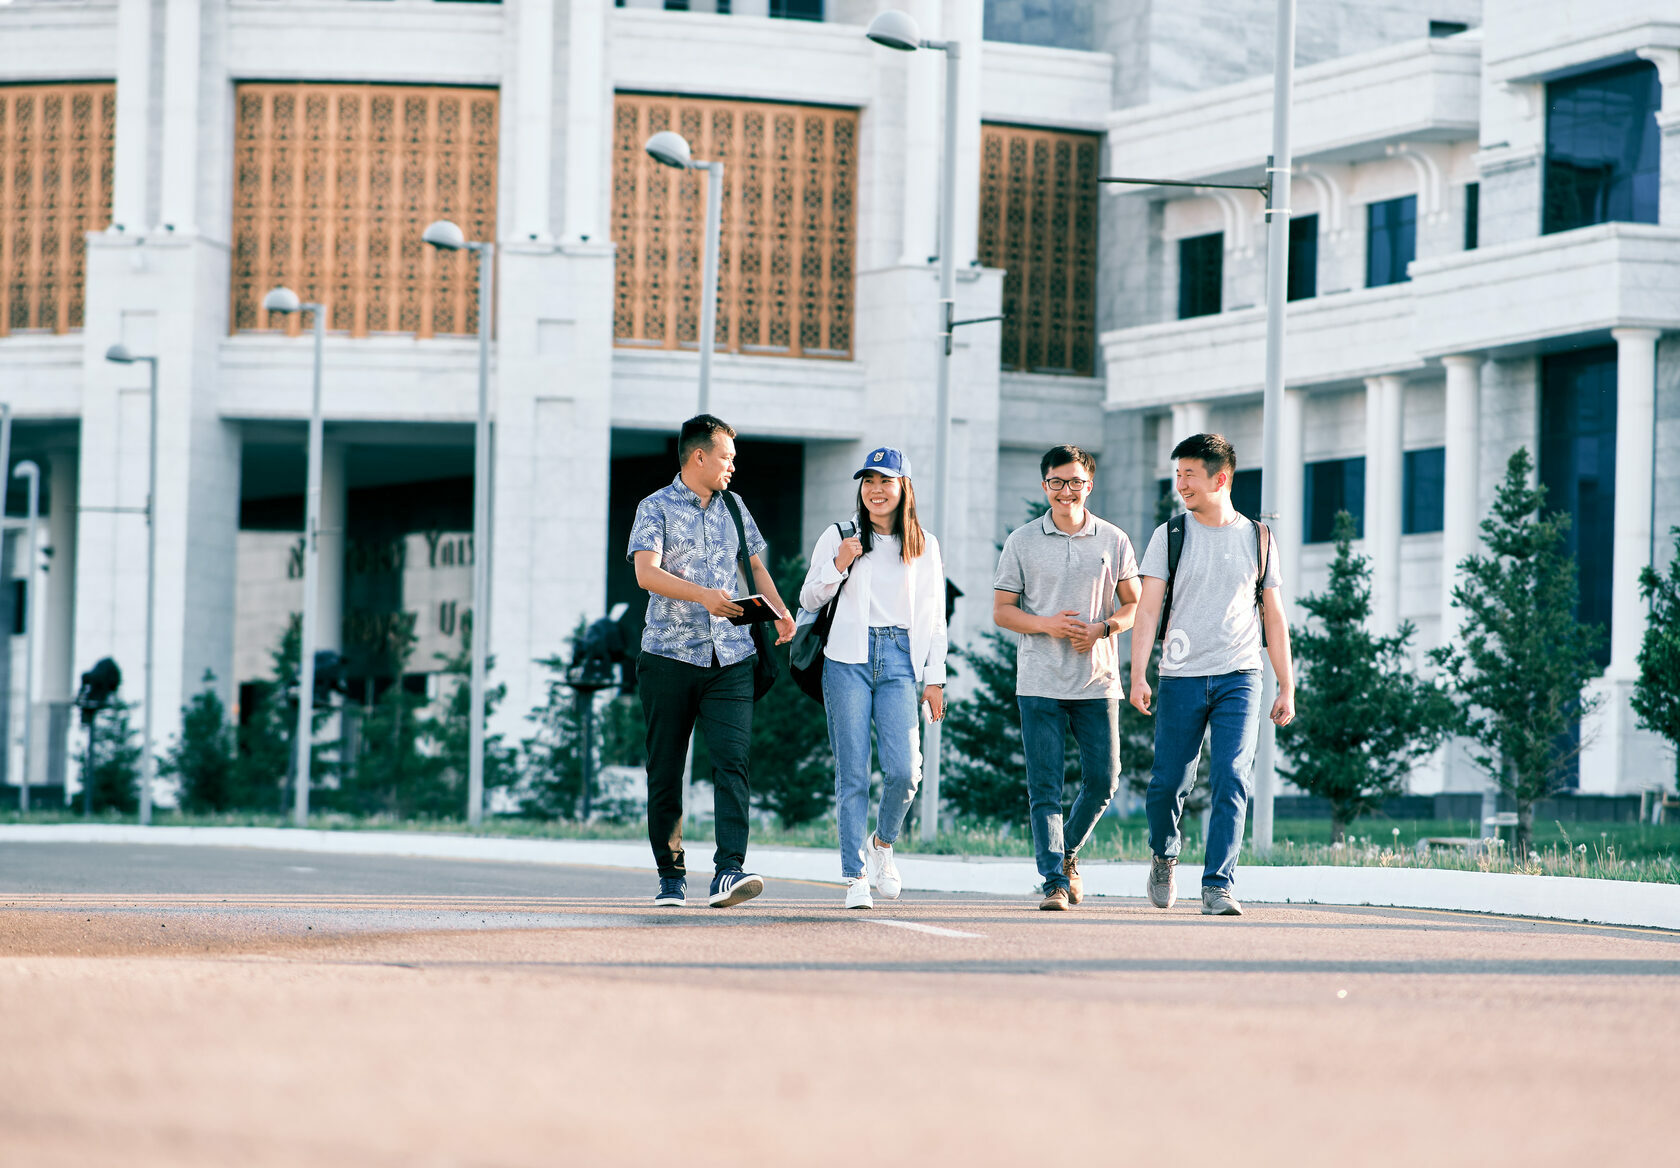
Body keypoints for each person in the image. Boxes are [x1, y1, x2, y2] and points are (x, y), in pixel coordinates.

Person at [628, 414, 796, 909]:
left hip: (733, 658)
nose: (732, 466)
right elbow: (645, 574)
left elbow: (754, 565)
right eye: (726, 457)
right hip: (668, 657)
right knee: (665, 770)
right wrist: (704, 596)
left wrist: (781, 612)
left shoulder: (735, 507)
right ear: (699, 456)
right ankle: (671, 875)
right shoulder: (654, 507)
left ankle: (729, 871)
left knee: (733, 764)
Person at [1129, 432, 1295, 917]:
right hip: (1180, 675)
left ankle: (1218, 883)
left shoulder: (1259, 538)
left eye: (1190, 475)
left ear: (1220, 479)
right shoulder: (1169, 535)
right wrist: (1138, 675)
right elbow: (1148, 609)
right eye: (1178, 474)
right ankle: (1164, 855)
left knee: (1232, 776)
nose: (1181, 484)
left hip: (1240, 675)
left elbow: (1274, 615)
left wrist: (1286, 684)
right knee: (1168, 783)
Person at [993, 445, 1141, 911]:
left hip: (1097, 682)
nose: (1065, 490)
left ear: (1088, 485)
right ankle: (1055, 881)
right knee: (1045, 788)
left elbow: (1134, 605)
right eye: (1056, 482)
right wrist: (1048, 625)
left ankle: (1066, 853)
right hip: (1039, 683)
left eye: (1075, 482)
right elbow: (1002, 611)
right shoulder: (1021, 541)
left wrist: (1103, 628)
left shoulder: (1114, 539)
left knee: (1104, 780)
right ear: (1045, 485)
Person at [800, 446, 948, 910]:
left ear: (904, 488)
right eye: (868, 481)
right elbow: (809, 598)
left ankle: (881, 844)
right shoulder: (839, 535)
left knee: (905, 771)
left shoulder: (924, 544)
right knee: (853, 773)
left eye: (885, 481)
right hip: (847, 658)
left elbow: (935, 616)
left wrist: (935, 677)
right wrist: (838, 564)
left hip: (901, 658)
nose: (875, 490)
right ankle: (855, 875)